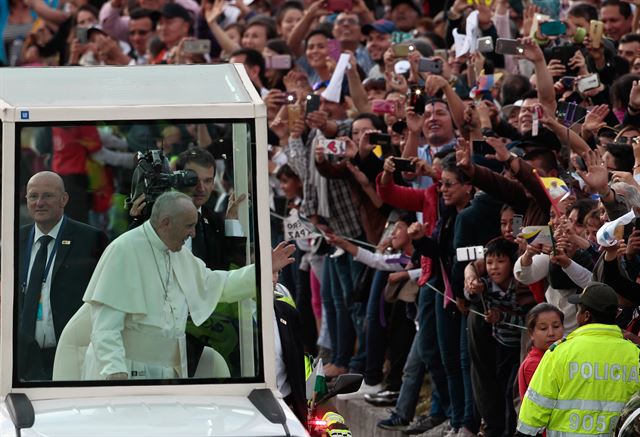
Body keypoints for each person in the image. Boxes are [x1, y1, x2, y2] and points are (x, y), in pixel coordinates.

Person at [81, 191, 294, 380]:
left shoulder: (179, 253)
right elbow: (105, 325)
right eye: (189, 226)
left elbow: (219, 285)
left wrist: (262, 269)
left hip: (166, 371)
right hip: (123, 371)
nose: (193, 233)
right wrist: (114, 370)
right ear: (165, 223)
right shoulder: (123, 250)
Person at [19, 171, 109, 381]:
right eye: (33, 196)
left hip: (71, 355)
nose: (39, 202)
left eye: (48, 195)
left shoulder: (90, 240)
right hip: (22, 359)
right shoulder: (15, 240)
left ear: (64, 199)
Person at [517, 282, 640, 436]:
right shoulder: (635, 355)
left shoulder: (559, 353)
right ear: (616, 314)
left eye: (578, 309)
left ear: (586, 316)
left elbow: (533, 413)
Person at [517, 303, 564, 400]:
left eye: (556, 326)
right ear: (531, 333)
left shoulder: (557, 356)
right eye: (543, 328)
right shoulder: (533, 364)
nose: (551, 333)